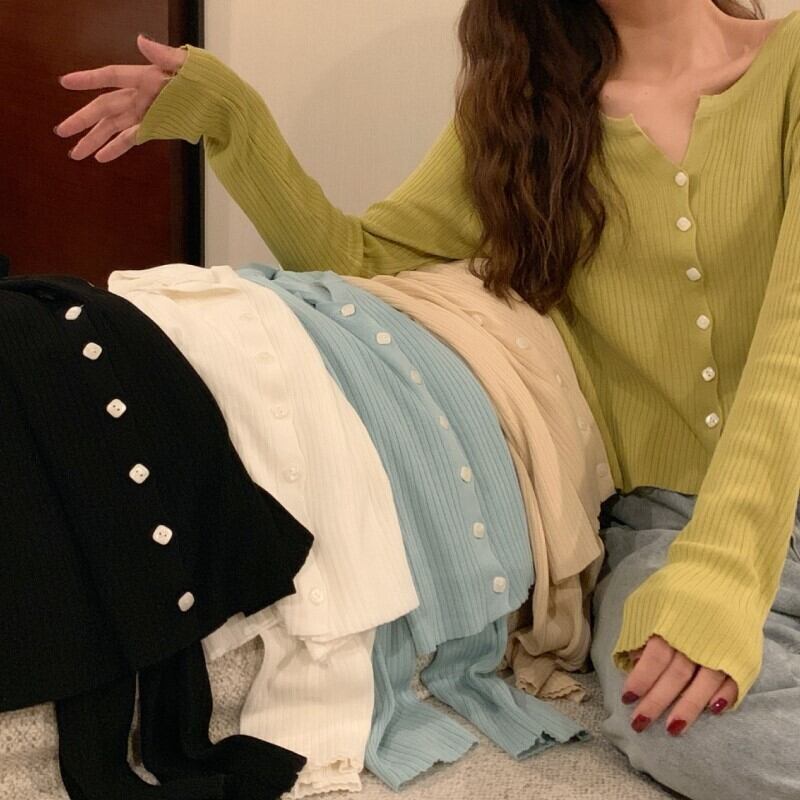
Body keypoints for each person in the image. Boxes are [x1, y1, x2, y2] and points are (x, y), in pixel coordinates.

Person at [54, 2, 800, 798]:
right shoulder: (531, 111)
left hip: (744, 526)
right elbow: (363, 260)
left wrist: (725, 574)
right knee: (697, 736)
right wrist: (233, 120)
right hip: (666, 522)